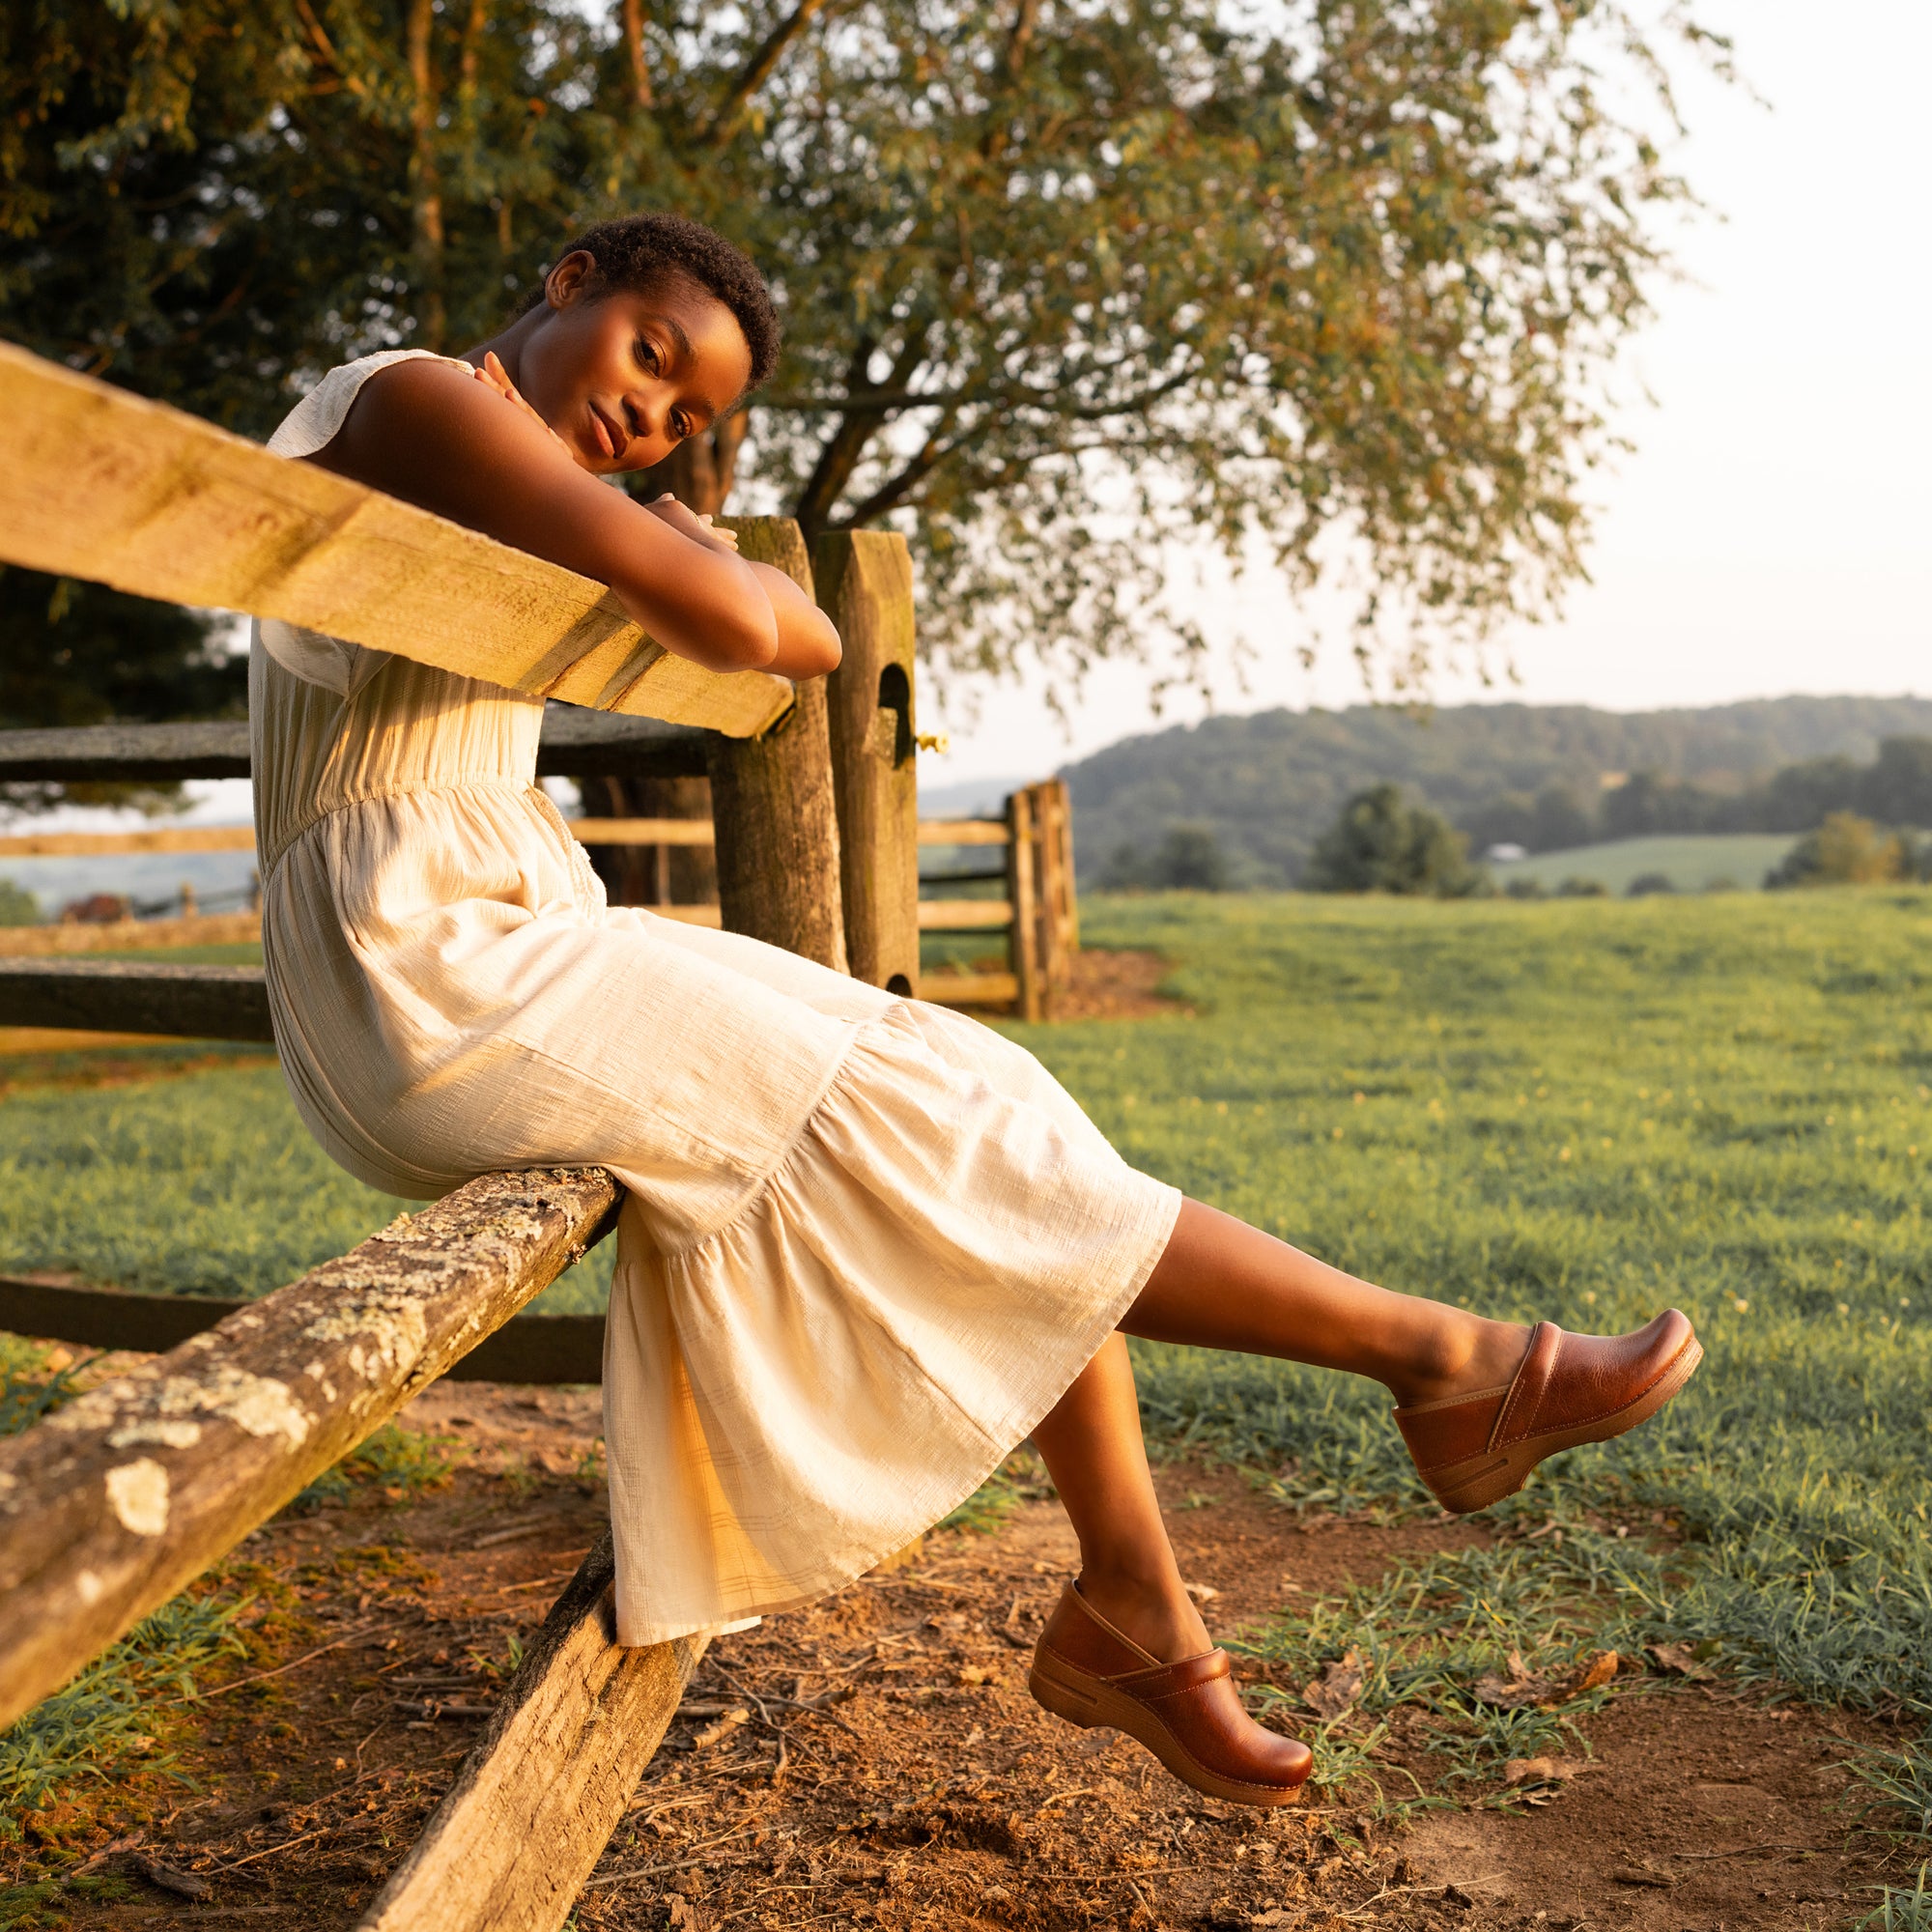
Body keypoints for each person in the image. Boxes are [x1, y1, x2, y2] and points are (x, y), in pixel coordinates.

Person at [254, 212, 1703, 1809]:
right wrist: (715, 558)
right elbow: (768, 631)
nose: (649, 420)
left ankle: (1145, 1609)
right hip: (418, 963)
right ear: (568, 285)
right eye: (650, 357)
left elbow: (760, 627)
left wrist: (701, 553)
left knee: (976, 1092)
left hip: (500, 925)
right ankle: (1440, 1367)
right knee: (956, 1121)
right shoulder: (416, 400)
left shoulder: (524, 473)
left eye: (685, 420)